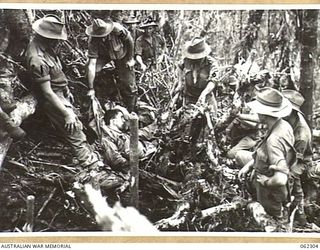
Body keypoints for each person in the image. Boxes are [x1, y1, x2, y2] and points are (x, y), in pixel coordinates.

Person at [23, 15, 102, 170]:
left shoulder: (46, 47)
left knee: (80, 122)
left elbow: (56, 71)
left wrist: (66, 89)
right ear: (46, 36)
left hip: (60, 91)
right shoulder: (37, 58)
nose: (58, 41)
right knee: (75, 130)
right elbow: (47, 92)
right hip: (52, 97)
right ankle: (91, 166)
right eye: (55, 38)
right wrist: (66, 113)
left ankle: (91, 153)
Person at [238, 87, 295, 221]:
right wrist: (249, 166)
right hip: (276, 191)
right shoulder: (283, 124)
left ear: (264, 114)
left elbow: (280, 179)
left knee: (273, 223)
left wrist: (266, 182)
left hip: (271, 195)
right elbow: (266, 155)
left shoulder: (274, 140)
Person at [86, 18, 137, 112]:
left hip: (122, 54)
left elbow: (130, 41)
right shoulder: (93, 40)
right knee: (93, 70)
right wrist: (91, 88)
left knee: (128, 82)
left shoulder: (118, 30)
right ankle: (103, 95)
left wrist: (130, 59)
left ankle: (132, 108)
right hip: (104, 55)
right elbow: (92, 64)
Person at [176, 37, 218, 152]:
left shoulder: (211, 63)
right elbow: (179, 67)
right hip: (189, 96)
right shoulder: (186, 61)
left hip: (206, 97)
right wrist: (180, 83)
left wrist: (204, 93)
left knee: (211, 125)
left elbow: (213, 81)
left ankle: (206, 150)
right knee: (186, 123)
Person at [282, 89, 314, 226]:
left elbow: (295, 159)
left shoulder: (301, 134)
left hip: (301, 161)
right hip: (289, 153)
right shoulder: (287, 119)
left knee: (289, 176)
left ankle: (292, 212)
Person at [101, 106, 156, 173]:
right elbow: (115, 159)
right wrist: (133, 169)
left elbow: (142, 133)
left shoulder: (122, 132)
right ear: (113, 120)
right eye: (121, 118)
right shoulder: (108, 137)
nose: (124, 120)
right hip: (139, 165)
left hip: (149, 152)